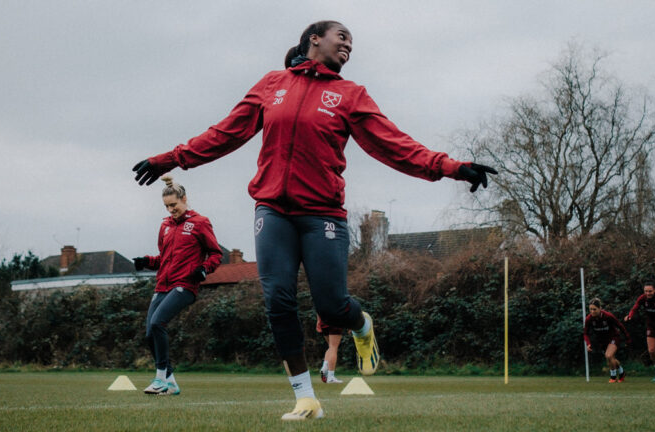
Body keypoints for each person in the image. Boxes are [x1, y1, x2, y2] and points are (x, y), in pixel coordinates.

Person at [132, 20, 496, 419]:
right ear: (314, 39)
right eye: (342, 37)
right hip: (271, 210)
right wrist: (170, 158)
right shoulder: (272, 85)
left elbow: (394, 144)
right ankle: (305, 397)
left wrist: (452, 167)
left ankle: (361, 326)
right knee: (278, 300)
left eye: (352, 43)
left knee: (331, 306)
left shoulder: (349, 95)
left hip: (322, 213)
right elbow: (224, 133)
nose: (348, 46)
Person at [133, 175, 222, 395]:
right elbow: (164, 259)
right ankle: (171, 382)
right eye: (167, 206)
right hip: (162, 285)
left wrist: (203, 269)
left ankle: (160, 378)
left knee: (157, 324)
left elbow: (215, 254)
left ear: (184, 199)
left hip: (185, 285)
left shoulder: (200, 223)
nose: (171, 210)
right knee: (148, 335)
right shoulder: (164, 226)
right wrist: (147, 262)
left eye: (174, 205)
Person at [624, 282, 655, 382]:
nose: (648, 293)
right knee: (651, 351)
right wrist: (630, 315)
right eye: (646, 291)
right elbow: (635, 307)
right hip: (651, 326)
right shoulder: (642, 298)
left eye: (650, 291)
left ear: (654, 290)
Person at [583, 298, 632, 383]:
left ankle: (613, 377)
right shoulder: (589, 319)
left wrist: (627, 338)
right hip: (602, 341)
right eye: (590, 309)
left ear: (600, 308)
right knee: (611, 358)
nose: (592, 311)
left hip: (614, 337)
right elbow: (585, 333)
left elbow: (620, 325)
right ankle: (622, 372)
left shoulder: (608, 316)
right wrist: (588, 343)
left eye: (594, 309)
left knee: (608, 355)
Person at [316, 315, 344, 384]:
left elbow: (318, 307)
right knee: (334, 347)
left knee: (331, 347)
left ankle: (325, 365)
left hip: (323, 321)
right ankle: (330, 377)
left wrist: (318, 320)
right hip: (335, 320)